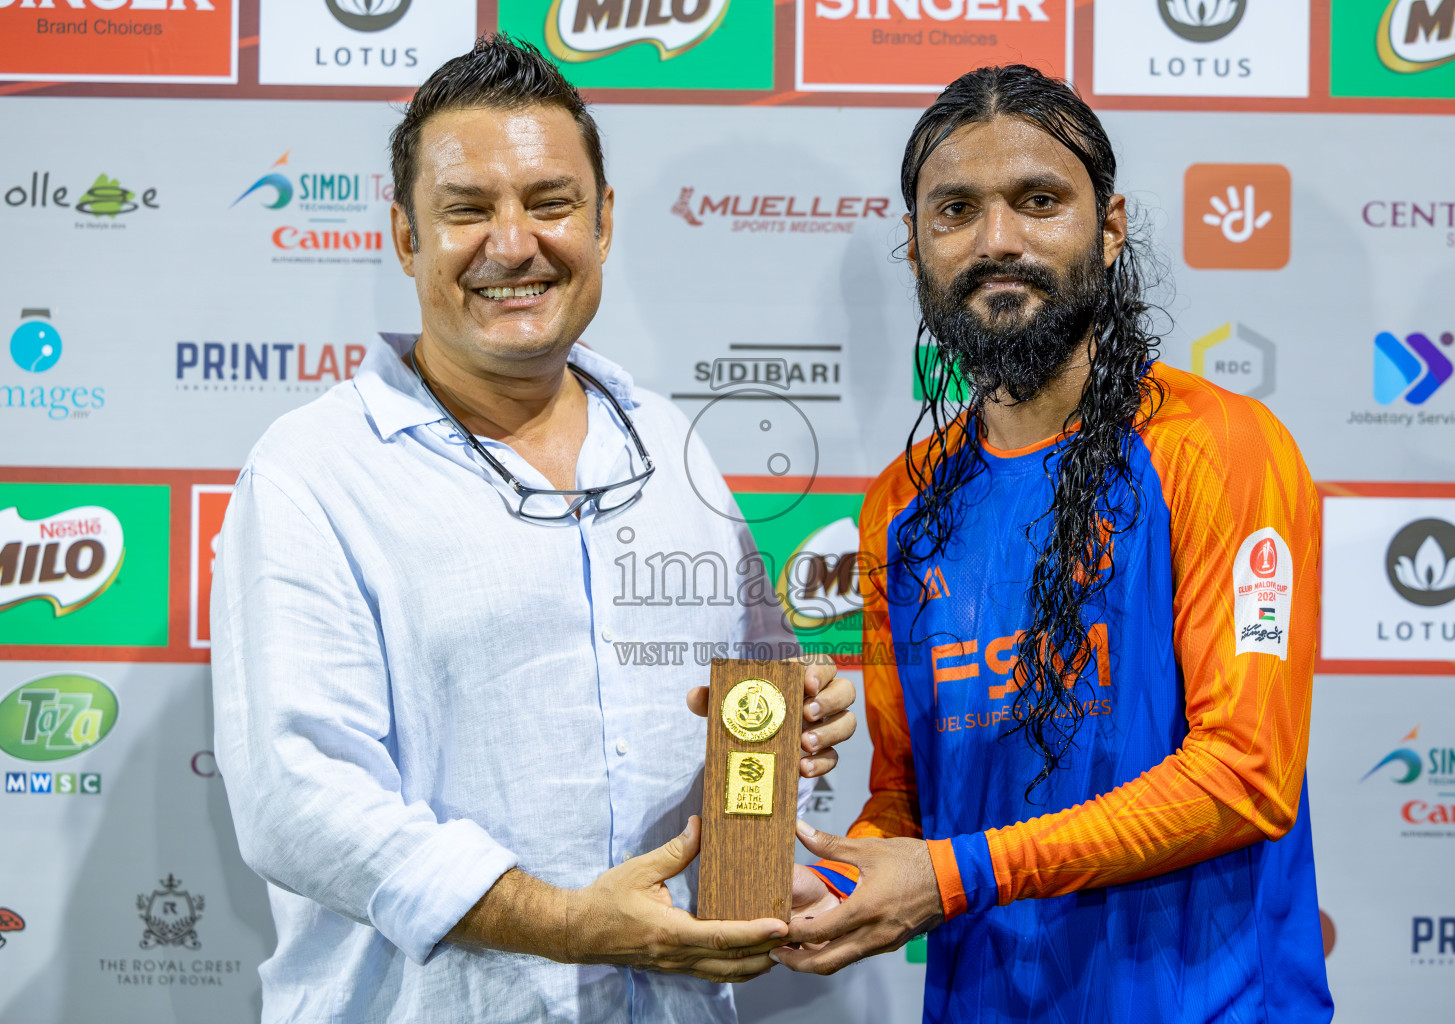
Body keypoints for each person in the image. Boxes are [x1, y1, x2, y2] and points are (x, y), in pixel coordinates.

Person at [210, 35, 856, 1024]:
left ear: (602, 223)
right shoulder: (313, 471)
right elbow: (299, 801)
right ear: (402, 234)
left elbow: (760, 699)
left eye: (550, 203)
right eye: (467, 209)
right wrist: (564, 922)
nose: (514, 243)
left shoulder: (673, 444)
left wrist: (776, 785)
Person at [779, 65, 1333, 1022]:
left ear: (1109, 229)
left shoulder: (1222, 449)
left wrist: (952, 877)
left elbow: (1245, 777)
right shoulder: (897, 507)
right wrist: (814, 888)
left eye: (1039, 201)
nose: (998, 242)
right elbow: (910, 806)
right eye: (955, 211)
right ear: (914, 246)